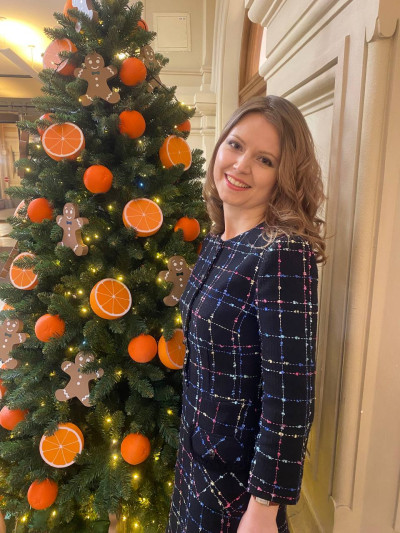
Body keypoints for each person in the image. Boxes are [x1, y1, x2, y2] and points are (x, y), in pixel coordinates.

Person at [166, 95, 326, 533]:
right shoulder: (218, 238)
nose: (240, 165)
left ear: (283, 176)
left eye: (264, 159)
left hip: (236, 486)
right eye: (235, 145)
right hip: (196, 460)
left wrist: (263, 508)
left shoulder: (283, 252)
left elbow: (291, 396)